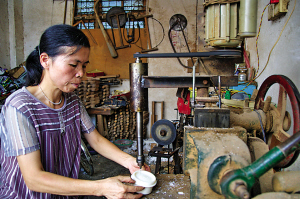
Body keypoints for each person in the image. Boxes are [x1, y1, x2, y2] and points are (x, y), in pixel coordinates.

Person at [0, 24, 150, 199]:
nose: (81, 73)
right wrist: (100, 187)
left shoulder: (72, 101)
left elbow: (96, 140)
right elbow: (34, 179)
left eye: (84, 66)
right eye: (73, 64)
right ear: (45, 60)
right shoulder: (20, 106)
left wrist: (129, 161)